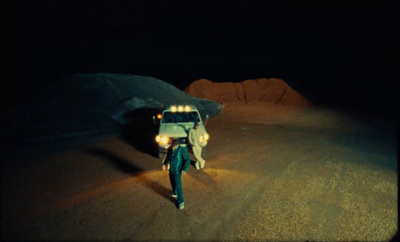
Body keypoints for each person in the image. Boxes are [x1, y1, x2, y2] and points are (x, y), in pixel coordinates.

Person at [162, 138, 191, 209]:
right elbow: (167, 157)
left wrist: (185, 169)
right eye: (172, 146)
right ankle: (175, 193)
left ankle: (181, 201)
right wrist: (164, 164)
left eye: (174, 146)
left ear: (178, 145)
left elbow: (187, 159)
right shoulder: (170, 149)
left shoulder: (181, 150)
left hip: (178, 171)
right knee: (172, 181)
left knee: (178, 185)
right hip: (171, 169)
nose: (173, 148)